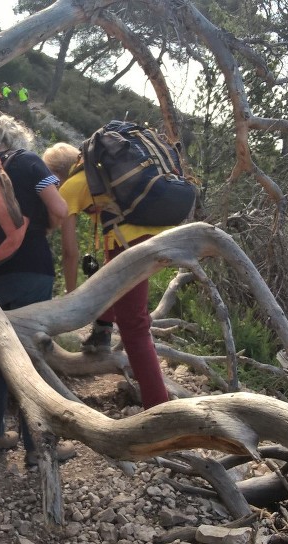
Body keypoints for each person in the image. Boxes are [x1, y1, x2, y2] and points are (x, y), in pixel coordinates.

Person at [0, 114, 78, 466]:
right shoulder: (29, 162)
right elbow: (59, 207)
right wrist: (50, 223)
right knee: (29, 355)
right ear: (19, 138)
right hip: (30, 268)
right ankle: (39, 445)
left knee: (0, 352)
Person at [42, 141, 171, 409]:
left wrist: (70, 295)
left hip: (133, 241)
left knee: (134, 325)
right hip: (149, 229)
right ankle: (101, 333)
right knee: (112, 277)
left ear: (56, 175)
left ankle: (159, 409)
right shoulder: (99, 177)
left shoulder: (71, 187)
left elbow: (69, 251)